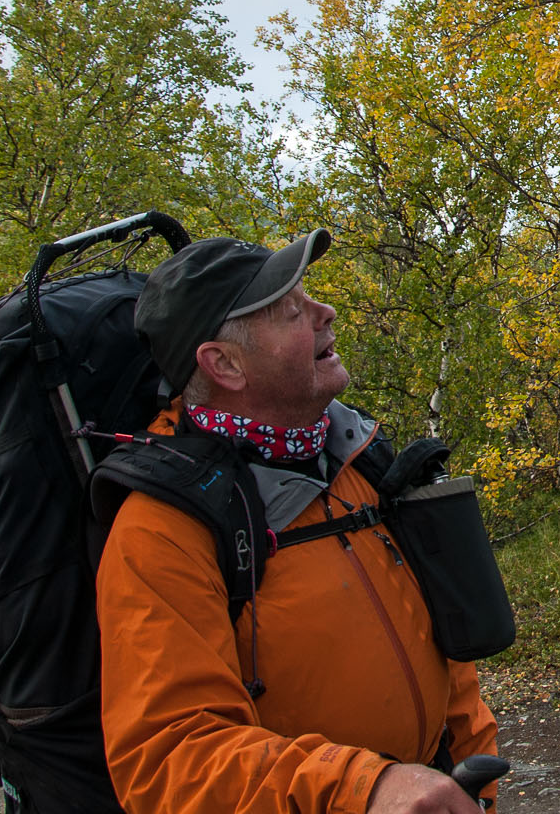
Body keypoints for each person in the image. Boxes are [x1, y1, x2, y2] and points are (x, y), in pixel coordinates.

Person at [94, 228, 498, 814]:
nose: (324, 312)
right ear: (224, 363)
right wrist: (366, 789)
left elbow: (444, 648)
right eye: (290, 311)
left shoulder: (359, 457)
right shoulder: (162, 531)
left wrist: (471, 780)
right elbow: (170, 762)